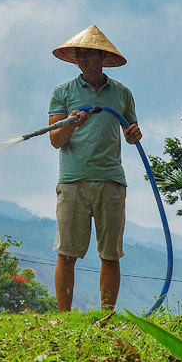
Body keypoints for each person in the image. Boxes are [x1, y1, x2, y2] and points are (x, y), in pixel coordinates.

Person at [47, 25, 141, 311]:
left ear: (102, 58)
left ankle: (106, 316)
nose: (82, 59)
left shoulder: (122, 94)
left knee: (110, 253)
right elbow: (55, 139)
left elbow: (131, 131)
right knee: (67, 253)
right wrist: (71, 125)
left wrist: (134, 134)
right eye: (79, 55)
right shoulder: (63, 92)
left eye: (88, 54)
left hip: (111, 180)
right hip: (73, 180)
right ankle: (64, 317)